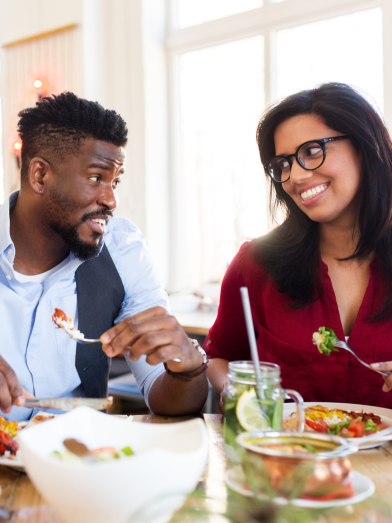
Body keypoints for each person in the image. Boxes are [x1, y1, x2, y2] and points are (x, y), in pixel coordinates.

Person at [0, 92, 208, 421]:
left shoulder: (123, 251)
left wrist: (188, 367)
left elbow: (168, 398)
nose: (112, 200)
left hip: (81, 462)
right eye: (97, 178)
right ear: (40, 175)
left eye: (116, 181)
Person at [206, 82, 392, 411]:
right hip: (291, 459)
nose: (295, 177)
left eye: (312, 151)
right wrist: (235, 391)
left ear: (364, 146)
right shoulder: (257, 263)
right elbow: (219, 356)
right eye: (283, 164)